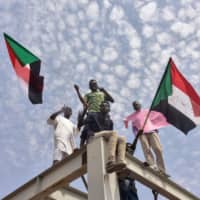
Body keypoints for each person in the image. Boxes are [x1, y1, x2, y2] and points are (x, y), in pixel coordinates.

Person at [79, 101, 127, 173]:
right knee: (114, 133)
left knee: (122, 139)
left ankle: (120, 161)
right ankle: (111, 161)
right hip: (93, 136)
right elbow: (81, 124)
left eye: (107, 106)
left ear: (109, 109)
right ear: (100, 108)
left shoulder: (110, 121)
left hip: (103, 137)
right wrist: (84, 111)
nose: (105, 107)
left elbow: (111, 137)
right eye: (103, 106)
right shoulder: (93, 115)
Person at [124, 101, 169, 176]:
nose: (136, 105)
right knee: (146, 149)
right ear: (133, 107)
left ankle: (162, 169)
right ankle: (152, 165)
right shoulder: (133, 117)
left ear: (140, 105)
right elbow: (134, 128)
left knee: (158, 149)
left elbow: (156, 117)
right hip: (142, 134)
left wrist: (155, 127)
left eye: (137, 104)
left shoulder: (147, 111)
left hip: (152, 131)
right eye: (135, 105)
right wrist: (137, 134)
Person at [74, 79, 114, 146]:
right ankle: (81, 147)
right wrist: (78, 91)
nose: (94, 85)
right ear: (89, 87)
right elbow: (83, 101)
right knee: (86, 128)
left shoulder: (102, 93)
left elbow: (112, 100)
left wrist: (104, 90)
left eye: (95, 84)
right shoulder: (88, 95)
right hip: (92, 114)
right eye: (92, 84)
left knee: (108, 127)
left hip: (102, 114)